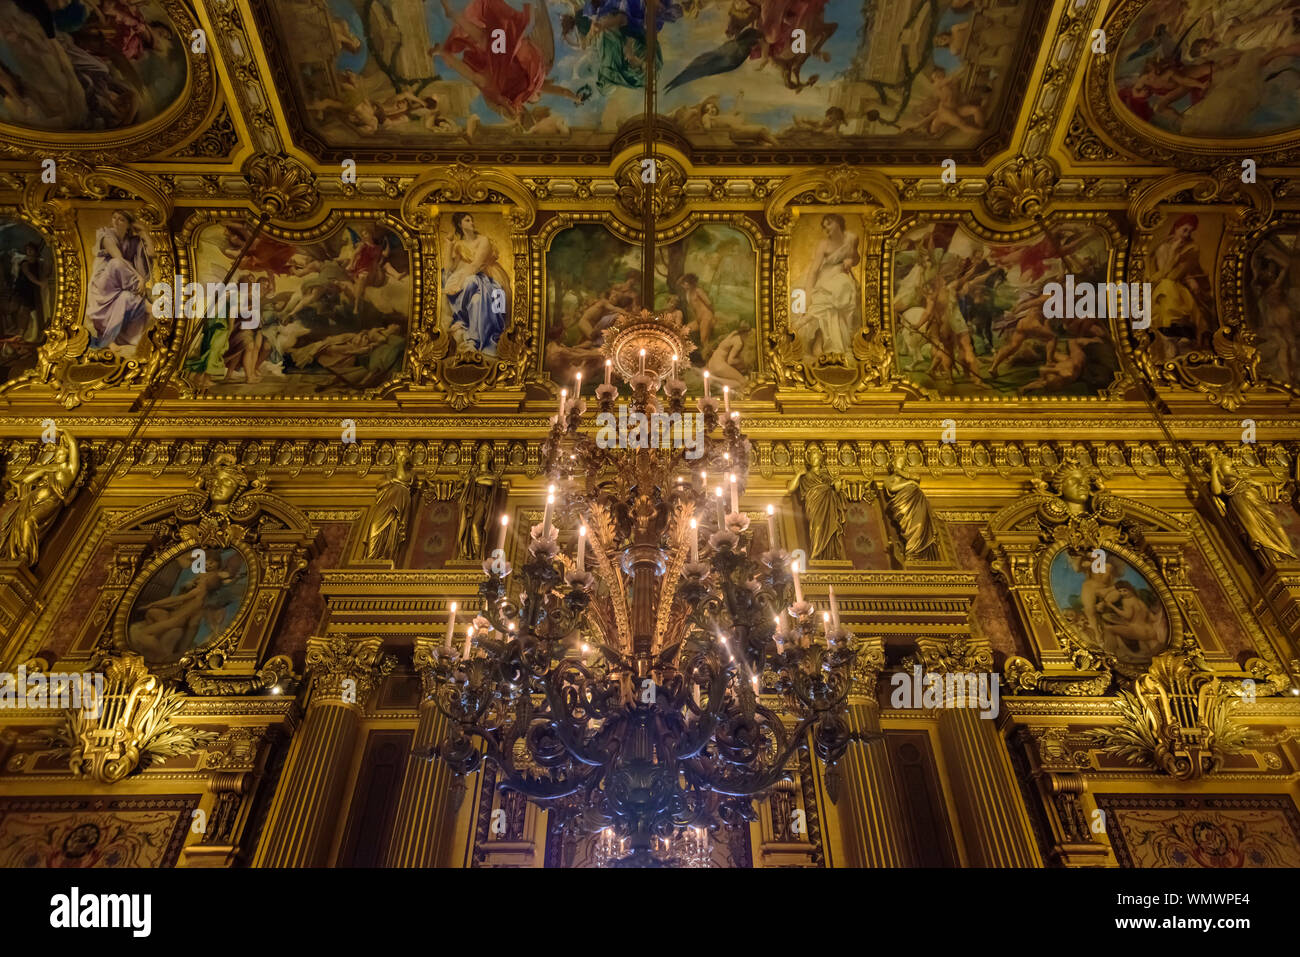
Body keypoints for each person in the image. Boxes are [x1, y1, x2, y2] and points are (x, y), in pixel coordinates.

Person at [793, 213, 860, 357]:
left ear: (838, 222)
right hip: (825, 278)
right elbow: (814, 270)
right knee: (826, 307)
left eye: (828, 223)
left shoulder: (852, 238)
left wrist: (851, 260)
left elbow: (856, 258)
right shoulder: (824, 244)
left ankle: (819, 341)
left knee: (839, 293)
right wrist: (808, 294)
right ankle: (805, 329)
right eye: (824, 226)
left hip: (841, 279)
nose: (826, 228)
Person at [443, 212, 510, 354]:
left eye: (472, 220)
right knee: (475, 298)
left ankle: (478, 340)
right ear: (460, 225)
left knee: (473, 286)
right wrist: (449, 246)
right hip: (468, 279)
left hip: (488, 277)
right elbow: (449, 268)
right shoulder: (459, 245)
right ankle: (471, 336)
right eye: (467, 220)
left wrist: (459, 284)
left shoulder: (483, 240)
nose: (472, 223)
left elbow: (475, 265)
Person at [86, 210, 152, 350]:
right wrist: (139, 278)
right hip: (104, 282)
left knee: (126, 298)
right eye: (114, 217)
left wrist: (144, 232)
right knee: (116, 264)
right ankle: (142, 297)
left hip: (122, 284)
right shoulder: (106, 235)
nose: (115, 221)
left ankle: (114, 341)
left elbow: (152, 253)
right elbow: (118, 258)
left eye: (121, 219)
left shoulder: (132, 241)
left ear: (129, 225)